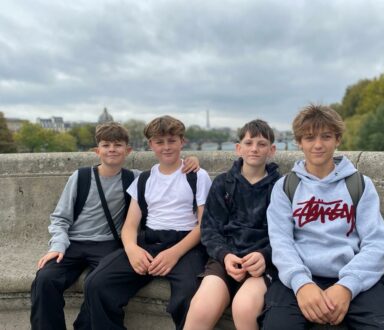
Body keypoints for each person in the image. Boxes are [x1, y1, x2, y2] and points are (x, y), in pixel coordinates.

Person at [30, 121, 199, 330]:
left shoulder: (135, 178)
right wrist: (57, 246)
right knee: (45, 280)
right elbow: (60, 218)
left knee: (99, 285)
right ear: (96, 150)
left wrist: (191, 161)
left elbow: (166, 171)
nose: (111, 150)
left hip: (107, 244)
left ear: (128, 150)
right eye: (106, 145)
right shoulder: (80, 177)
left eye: (117, 145)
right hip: (73, 243)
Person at [262, 104, 384, 329]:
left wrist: (347, 286)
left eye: (326, 136)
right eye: (309, 138)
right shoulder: (286, 187)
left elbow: (376, 242)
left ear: (337, 140)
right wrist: (302, 284)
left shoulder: (360, 184)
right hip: (300, 278)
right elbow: (281, 242)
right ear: (299, 142)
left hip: (353, 276)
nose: (318, 145)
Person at [84, 115, 212, 330]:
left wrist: (175, 253)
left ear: (182, 142)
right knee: (97, 283)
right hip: (149, 241)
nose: (166, 147)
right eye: (159, 142)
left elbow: (204, 224)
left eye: (172, 141)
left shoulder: (198, 177)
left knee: (189, 297)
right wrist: (132, 249)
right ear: (151, 144)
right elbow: (130, 225)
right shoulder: (144, 179)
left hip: (186, 244)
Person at [184, 119, 281, 330]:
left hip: (264, 262)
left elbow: (287, 234)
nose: (254, 148)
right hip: (226, 258)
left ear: (271, 150)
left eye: (262, 144)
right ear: (238, 148)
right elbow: (209, 230)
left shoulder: (281, 188)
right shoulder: (223, 184)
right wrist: (225, 255)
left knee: (244, 308)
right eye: (248, 143)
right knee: (200, 309)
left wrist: (265, 255)